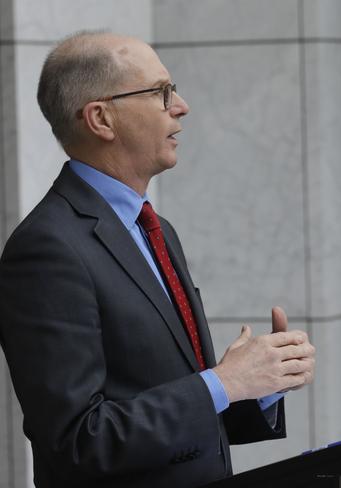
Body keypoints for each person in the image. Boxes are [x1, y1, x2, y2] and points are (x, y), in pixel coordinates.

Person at [0, 31, 315, 488]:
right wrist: (224, 383)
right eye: (160, 92)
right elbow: (78, 442)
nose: (181, 105)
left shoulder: (155, 228)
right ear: (101, 118)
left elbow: (182, 412)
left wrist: (259, 383)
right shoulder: (47, 250)